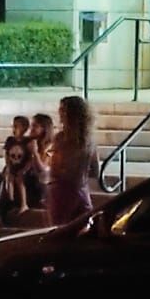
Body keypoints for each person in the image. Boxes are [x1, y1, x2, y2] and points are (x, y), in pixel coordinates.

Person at [47, 95, 96, 226]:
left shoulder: (61, 139)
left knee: (60, 229)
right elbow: (95, 170)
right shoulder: (89, 140)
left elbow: (56, 170)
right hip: (81, 190)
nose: (59, 113)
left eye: (63, 110)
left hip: (62, 192)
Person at [0, 115, 32, 218]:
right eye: (13, 126)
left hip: (22, 168)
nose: (14, 129)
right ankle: (11, 200)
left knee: (19, 180)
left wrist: (25, 169)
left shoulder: (27, 141)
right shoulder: (10, 140)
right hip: (12, 167)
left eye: (16, 126)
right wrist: (8, 166)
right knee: (9, 179)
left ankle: (24, 204)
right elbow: (6, 155)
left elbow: (31, 158)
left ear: (24, 128)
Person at [25, 112, 53, 210]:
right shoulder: (28, 142)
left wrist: (35, 152)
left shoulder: (50, 146)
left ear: (44, 129)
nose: (31, 129)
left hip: (40, 183)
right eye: (31, 126)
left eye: (35, 126)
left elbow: (42, 170)